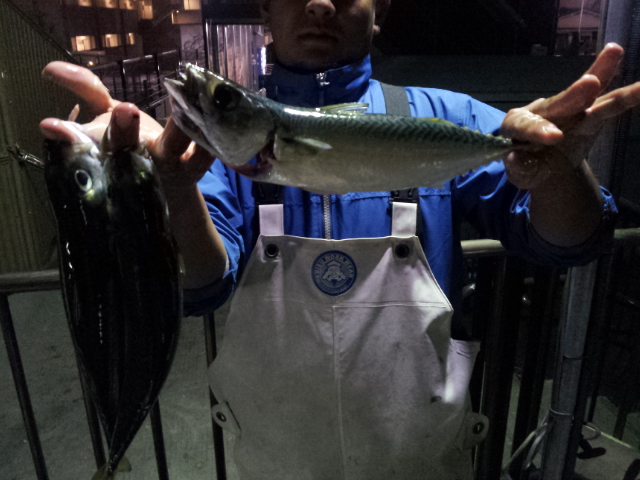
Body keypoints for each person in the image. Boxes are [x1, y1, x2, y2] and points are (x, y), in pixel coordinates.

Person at [40, 0, 640, 478]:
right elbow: (201, 285)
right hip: (277, 460)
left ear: (382, 9)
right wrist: (165, 185)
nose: (321, 4)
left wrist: (561, 171)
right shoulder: (219, 156)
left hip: (424, 458)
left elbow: (569, 241)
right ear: (265, 8)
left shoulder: (448, 118)